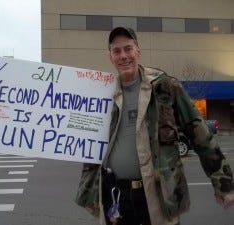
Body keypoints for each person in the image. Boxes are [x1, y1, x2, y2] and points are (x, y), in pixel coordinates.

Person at [75, 26, 234, 225]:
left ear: (138, 52)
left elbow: (200, 135)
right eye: (117, 51)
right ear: (110, 57)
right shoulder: (100, 94)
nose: (123, 56)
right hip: (114, 195)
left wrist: (224, 183)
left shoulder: (164, 87)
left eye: (128, 49)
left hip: (157, 196)